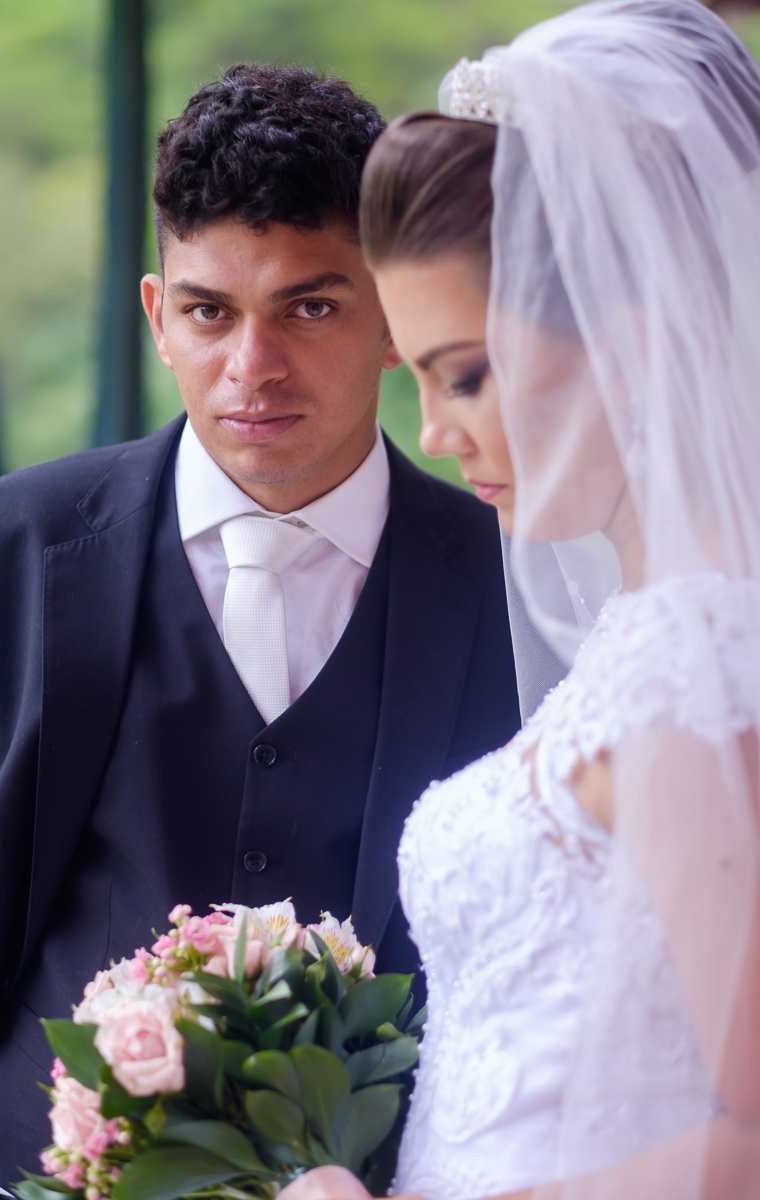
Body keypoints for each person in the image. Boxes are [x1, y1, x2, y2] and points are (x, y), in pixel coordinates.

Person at [0, 65, 526, 1195]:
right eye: (207, 311)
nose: (249, 368)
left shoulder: (514, 584)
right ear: (155, 318)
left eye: (309, 307)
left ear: (391, 322)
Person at [280, 1, 760, 1197]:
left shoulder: (692, 657)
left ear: (631, 334)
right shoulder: (639, 641)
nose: (434, 436)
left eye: (469, 374)